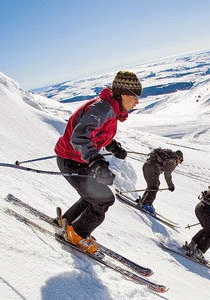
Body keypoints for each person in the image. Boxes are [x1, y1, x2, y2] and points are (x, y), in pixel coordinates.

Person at [53, 71, 141, 254]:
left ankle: (67, 222)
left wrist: (113, 146)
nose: (137, 102)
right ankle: (76, 234)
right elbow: (79, 137)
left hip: (76, 159)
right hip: (71, 160)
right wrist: (96, 162)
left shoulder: (110, 109)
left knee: (93, 197)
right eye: (135, 97)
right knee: (103, 199)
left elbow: (98, 133)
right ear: (123, 94)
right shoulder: (103, 109)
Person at [138, 148, 184, 214]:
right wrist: (171, 185)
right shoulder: (173, 161)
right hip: (152, 168)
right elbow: (167, 174)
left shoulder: (168, 156)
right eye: (181, 160)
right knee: (154, 186)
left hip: (147, 166)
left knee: (152, 185)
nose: (180, 163)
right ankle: (146, 204)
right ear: (179, 158)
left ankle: (143, 201)